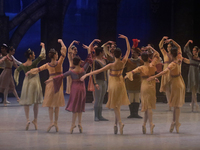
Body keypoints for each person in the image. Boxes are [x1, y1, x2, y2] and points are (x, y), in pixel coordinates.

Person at [80, 34, 131, 135]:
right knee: (118, 104)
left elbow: (97, 71)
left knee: (115, 105)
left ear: (114, 55)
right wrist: (126, 39)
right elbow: (128, 50)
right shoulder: (123, 62)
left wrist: (86, 75)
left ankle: (120, 123)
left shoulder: (111, 65)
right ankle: (115, 125)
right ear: (120, 55)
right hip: (121, 84)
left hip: (114, 84)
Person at [26, 39, 67, 132]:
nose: (58, 55)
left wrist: (30, 71)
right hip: (57, 84)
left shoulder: (48, 65)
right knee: (56, 105)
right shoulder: (59, 62)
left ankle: (52, 122)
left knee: (51, 105)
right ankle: (55, 122)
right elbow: (64, 50)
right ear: (55, 55)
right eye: (56, 54)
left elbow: (38, 69)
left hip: (51, 84)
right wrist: (61, 42)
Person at [46, 55, 92, 134]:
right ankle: (80, 123)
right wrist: (90, 48)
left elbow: (61, 76)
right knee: (80, 106)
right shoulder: (84, 69)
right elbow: (89, 59)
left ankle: (73, 124)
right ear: (80, 62)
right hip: (82, 89)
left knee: (75, 107)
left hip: (75, 89)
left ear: (73, 63)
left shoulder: (71, 71)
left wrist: (50, 80)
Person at [147, 39, 185, 133]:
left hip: (175, 82)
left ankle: (175, 123)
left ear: (172, 54)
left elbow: (165, 71)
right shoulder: (179, 58)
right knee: (177, 105)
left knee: (176, 105)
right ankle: (175, 122)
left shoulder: (173, 63)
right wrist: (172, 40)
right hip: (179, 81)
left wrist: (154, 76)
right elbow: (179, 47)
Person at [125, 46, 160, 134]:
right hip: (152, 86)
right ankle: (145, 124)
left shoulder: (141, 68)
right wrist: (152, 47)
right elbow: (158, 55)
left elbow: (131, 73)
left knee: (147, 106)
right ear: (148, 58)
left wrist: (125, 77)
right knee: (148, 106)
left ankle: (149, 123)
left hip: (144, 86)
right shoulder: (152, 64)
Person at [14, 43, 46, 130]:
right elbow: (42, 55)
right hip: (34, 82)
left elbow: (16, 71)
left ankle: (28, 119)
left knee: (27, 102)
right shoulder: (34, 63)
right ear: (31, 55)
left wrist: (17, 80)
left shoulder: (23, 65)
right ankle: (35, 120)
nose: (35, 55)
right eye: (33, 54)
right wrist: (43, 46)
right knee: (35, 102)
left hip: (27, 83)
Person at [124, 47, 143, 118]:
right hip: (130, 82)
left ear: (138, 53)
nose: (132, 53)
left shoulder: (141, 62)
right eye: (132, 52)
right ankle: (132, 113)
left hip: (138, 81)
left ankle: (136, 113)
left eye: (134, 52)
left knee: (137, 97)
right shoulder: (128, 61)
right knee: (131, 97)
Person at [184, 40, 200, 112]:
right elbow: (186, 49)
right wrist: (188, 42)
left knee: (195, 91)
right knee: (193, 91)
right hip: (191, 74)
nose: (193, 51)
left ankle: (192, 108)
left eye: (194, 50)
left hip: (197, 75)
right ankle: (196, 105)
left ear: (197, 51)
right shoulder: (191, 56)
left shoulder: (199, 59)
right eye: (193, 50)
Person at [159, 36, 173, 110]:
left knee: (172, 88)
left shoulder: (174, 55)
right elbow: (160, 46)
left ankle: (171, 102)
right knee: (167, 89)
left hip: (172, 72)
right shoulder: (165, 54)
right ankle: (169, 104)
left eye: (170, 47)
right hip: (166, 72)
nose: (168, 48)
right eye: (168, 47)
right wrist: (162, 39)